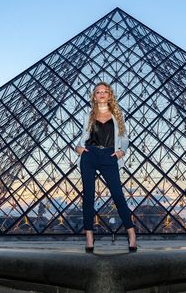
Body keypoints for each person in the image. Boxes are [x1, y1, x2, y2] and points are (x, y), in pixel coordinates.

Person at [75, 82, 138, 253]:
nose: (102, 94)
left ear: (110, 95)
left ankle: (131, 233)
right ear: (94, 96)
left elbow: (124, 137)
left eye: (105, 92)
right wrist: (78, 148)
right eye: (98, 92)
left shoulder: (118, 115)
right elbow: (82, 135)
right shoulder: (87, 114)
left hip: (109, 156)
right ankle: (89, 236)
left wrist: (121, 152)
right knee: (88, 196)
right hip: (89, 155)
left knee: (118, 195)